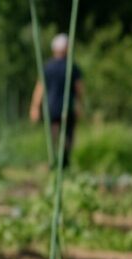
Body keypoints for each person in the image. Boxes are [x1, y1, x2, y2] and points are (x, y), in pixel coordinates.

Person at [30, 33, 84, 168]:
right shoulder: (72, 67)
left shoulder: (47, 67)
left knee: (53, 135)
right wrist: (80, 105)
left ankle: (52, 160)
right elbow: (79, 89)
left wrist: (35, 107)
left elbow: (40, 88)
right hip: (68, 107)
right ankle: (64, 161)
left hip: (51, 107)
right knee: (68, 135)